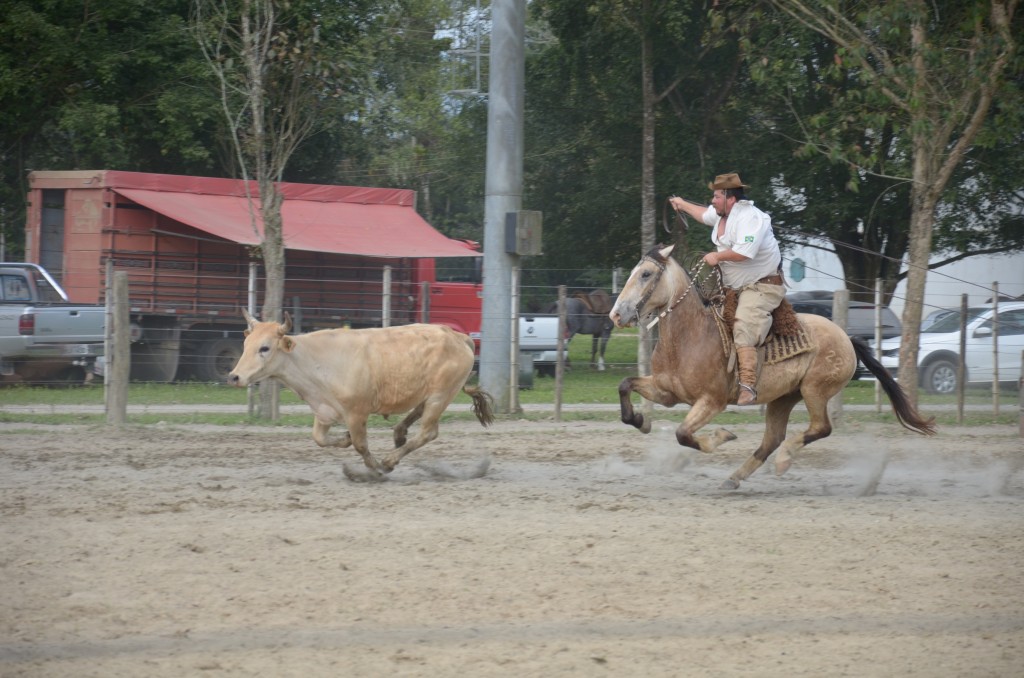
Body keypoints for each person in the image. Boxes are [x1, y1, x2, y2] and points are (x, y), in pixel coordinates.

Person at [668, 172, 784, 406]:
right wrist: (682, 204)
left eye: (717, 196)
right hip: (734, 288)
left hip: (761, 287)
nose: (712, 200)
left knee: (742, 324)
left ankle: (748, 385)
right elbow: (703, 215)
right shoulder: (724, 214)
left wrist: (716, 256)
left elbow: (744, 253)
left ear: (730, 198)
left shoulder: (750, 218)